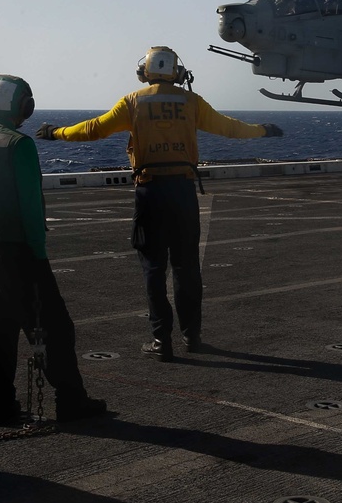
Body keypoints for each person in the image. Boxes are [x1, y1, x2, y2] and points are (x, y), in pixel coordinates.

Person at [35, 46, 283, 362]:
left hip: (150, 193)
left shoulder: (133, 102)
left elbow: (94, 128)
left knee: (153, 268)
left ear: (146, 72)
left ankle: (161, 340)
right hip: (182, 192)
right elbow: (227, 127)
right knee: (187, 267)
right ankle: (192, 336)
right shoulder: (191, 102)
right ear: (177, 73)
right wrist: (263, 130)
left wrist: (57, 133)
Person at [0, 74, 106, 426]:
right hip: (17, 250)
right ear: (23, 107)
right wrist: (39, 255)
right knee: (55, 326)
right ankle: (71, 401)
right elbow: (29, 205)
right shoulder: (18, 145)